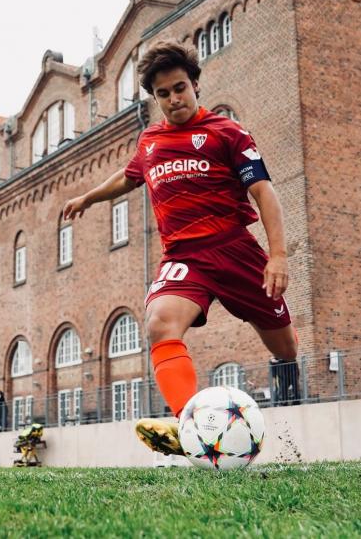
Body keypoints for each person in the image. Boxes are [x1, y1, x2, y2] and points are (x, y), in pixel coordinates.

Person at [63, 40, 297, 456]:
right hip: (184, 257)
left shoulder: (228, 133)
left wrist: (277, 255)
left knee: (285, 347)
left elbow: (264, 192)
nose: (173, 99)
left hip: (234, 250)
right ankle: (189, 429)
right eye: (163, 94)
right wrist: (88, 198)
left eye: (180, 88)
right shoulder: (151, 141)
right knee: (158, 323)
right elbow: (129, 176)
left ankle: (292, 414)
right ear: (155, 99)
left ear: (195, 86)